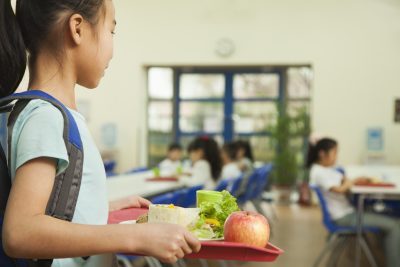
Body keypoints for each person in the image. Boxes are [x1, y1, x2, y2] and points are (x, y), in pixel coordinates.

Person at [0, 1, 200, 266]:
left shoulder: (53, 114)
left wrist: (99, 211)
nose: (112, 49)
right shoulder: (45, 117)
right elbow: (21, 232)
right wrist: (132, 236)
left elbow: (52, 212)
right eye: (111, 31)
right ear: (77, 29)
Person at [308, 138, 400, 267]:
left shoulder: (325, 169)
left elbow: (344, 183)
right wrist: (349, 182)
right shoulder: (318, 172)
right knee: (395, 225)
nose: (336, 157)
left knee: (382, 215)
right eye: (335, 152)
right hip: (343, 218)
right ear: (322, 154)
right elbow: (340, 189)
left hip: (347, 212)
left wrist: (354, 180)